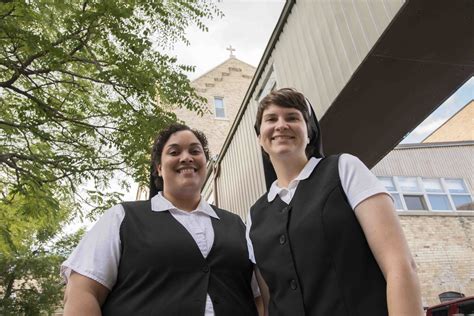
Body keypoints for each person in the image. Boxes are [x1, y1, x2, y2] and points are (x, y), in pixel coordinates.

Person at [246, 88, 424, 316]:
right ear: (260, 138)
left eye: (292, 117)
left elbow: (400, 266)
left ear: (309, 134)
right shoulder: (254, 216)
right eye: (271, 119)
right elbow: (269, 301)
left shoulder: (344, 169)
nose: (281, 125)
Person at [62, 123, 261, 316]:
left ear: (206, 163)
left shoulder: (237, 225)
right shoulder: (122, 218)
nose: (186, 158)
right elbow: (82, 290)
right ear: (158, 168)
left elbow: (260, 297)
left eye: (195, 151)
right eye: (174, 152)